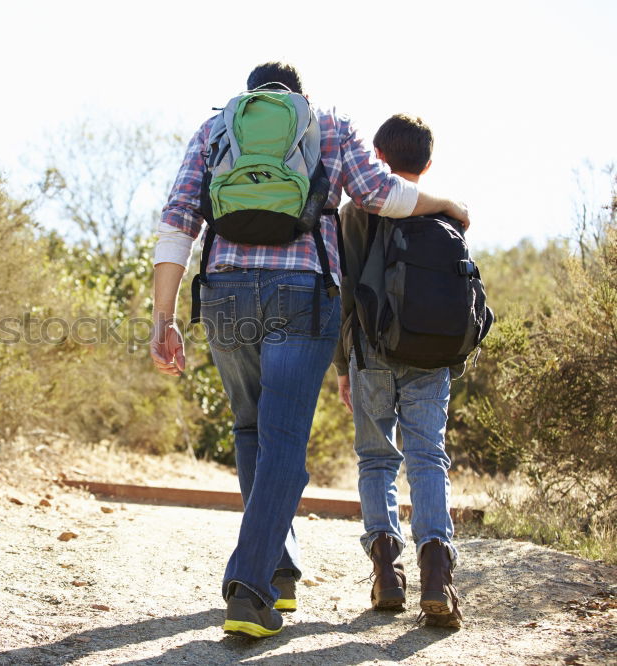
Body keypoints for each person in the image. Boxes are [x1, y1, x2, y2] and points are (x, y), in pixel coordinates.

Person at [150, 62, 471, 638]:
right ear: (297, 97)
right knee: (282, 443)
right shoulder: (326, 123)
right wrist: (445, 204)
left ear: (252, 97)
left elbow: (178, 222)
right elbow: (378, 194)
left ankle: (279, 572)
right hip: (301, 293)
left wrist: (163, 316)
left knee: (250, 431)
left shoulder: (216, 129)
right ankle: (250, 589)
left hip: (223, 293)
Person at [334, 114, 463, 628]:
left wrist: (343, 364)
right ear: (427, 163)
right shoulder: (447, 214)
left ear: (378, 160)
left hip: (372, 353)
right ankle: (438, 575)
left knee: (375, 460)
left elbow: (344, 288)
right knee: (428, 458)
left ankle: (387, 573)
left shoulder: (357, 211)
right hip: (432, 357)